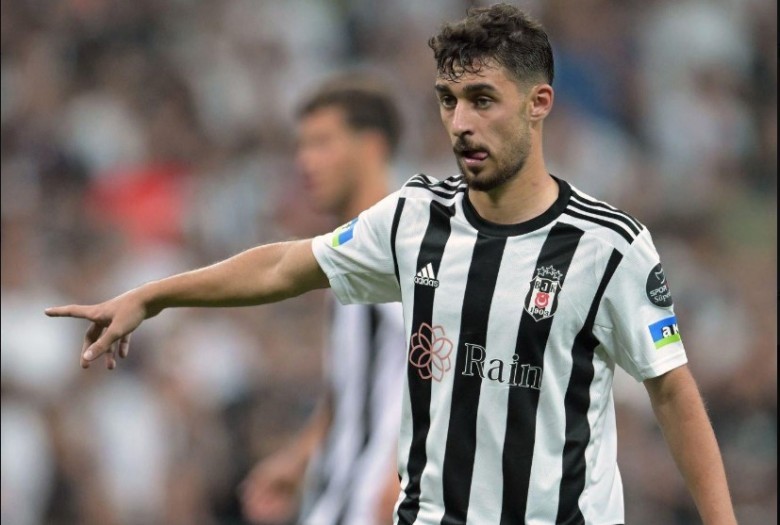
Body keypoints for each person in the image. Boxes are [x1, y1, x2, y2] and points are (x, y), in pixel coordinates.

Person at [46, 4, 737, 524]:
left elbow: (672, 392)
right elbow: (284, 266)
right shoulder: (414, 217)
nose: (461, 123)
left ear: (539, 104)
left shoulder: (610, 246)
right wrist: (154, 296)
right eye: (448, 101)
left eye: (482, 100)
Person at [239, 75, 406, 525]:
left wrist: (406, 474)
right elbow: (356, 387)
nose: (304, 161)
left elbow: (455, 369)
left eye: (322, 143)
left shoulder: (399, 242)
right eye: (302, 146)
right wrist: (298, 459)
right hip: (339, 498)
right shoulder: (348, 251)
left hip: (375, 504)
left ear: (371, 147)